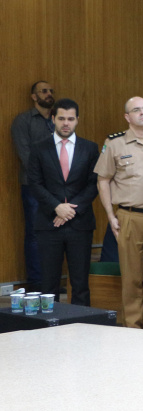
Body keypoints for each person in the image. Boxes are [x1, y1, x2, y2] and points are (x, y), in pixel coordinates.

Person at [95, 97, 143, 329]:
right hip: (128, 216)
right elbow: (103, 180)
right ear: (127, 117)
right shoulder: (115, 143)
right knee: (131, 277)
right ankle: (133, 328)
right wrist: (111, 216)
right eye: (137, 110)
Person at [28, 98, 99, 306]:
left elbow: (94, 184)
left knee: (80, 283)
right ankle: (49, 324)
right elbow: (34, 183)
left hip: (80, 224)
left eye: (70, 119)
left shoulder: (90, 148)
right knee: (49, 284)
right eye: (61, 118)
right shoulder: (39, 148)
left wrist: (70, 210)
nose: (65, 123)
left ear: (77, 120)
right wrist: (57, 207)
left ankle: (82, 324)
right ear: (53, 119)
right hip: (49, 223)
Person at [11, 80, 56, 288]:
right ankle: (37, 282)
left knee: (56, 233)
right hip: (34, 186)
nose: (49, 94)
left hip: (58, 186)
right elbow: (25, 155)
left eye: (50, 91)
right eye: (43, 91)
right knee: (35, 232)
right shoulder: (23, 120)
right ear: (34, 97)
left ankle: (52, 281)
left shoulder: (57, 119)